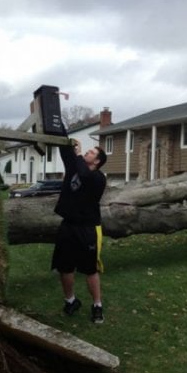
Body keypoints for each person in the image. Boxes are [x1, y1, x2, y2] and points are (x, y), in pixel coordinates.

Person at [51, 137, 107, 323]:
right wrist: (65, 139)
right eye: (86, 151)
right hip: (68, 226)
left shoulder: (98, 178)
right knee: (64, 266)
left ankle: (97, 305)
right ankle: (70, 300)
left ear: (97, 161)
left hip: (88, 228)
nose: (86, 153)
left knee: (90, 269)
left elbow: (84, 175)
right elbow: (66, 151)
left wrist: (78, 153)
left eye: (91, 153)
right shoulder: (76, 167)